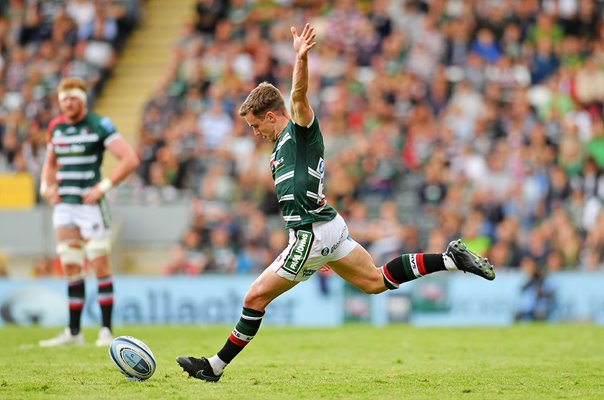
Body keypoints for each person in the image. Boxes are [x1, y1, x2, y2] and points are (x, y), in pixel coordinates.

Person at [177, 23, 495, 382]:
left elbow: (298, 94)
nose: (255, 133)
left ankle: (213, 368)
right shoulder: (280, 148)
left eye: (255, 126)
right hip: (327, 228)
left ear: (270, 115)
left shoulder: (299, 130)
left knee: (254, 298)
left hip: (311, 234)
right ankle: (453, 259)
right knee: (375, 282)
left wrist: (301, 57)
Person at [38, 77, 139, 347]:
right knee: (71, 265)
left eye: (73, 98)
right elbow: (50, 163)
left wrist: (102, 187)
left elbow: (129, 159)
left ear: (82, 99)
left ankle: (105, 330)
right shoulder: (55, 128)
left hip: (90, 207)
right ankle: (74, 333)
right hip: (64, 207)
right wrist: (45, 187)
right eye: (64, 99)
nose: (68, 103)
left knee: (99, 264)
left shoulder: (98, 125)